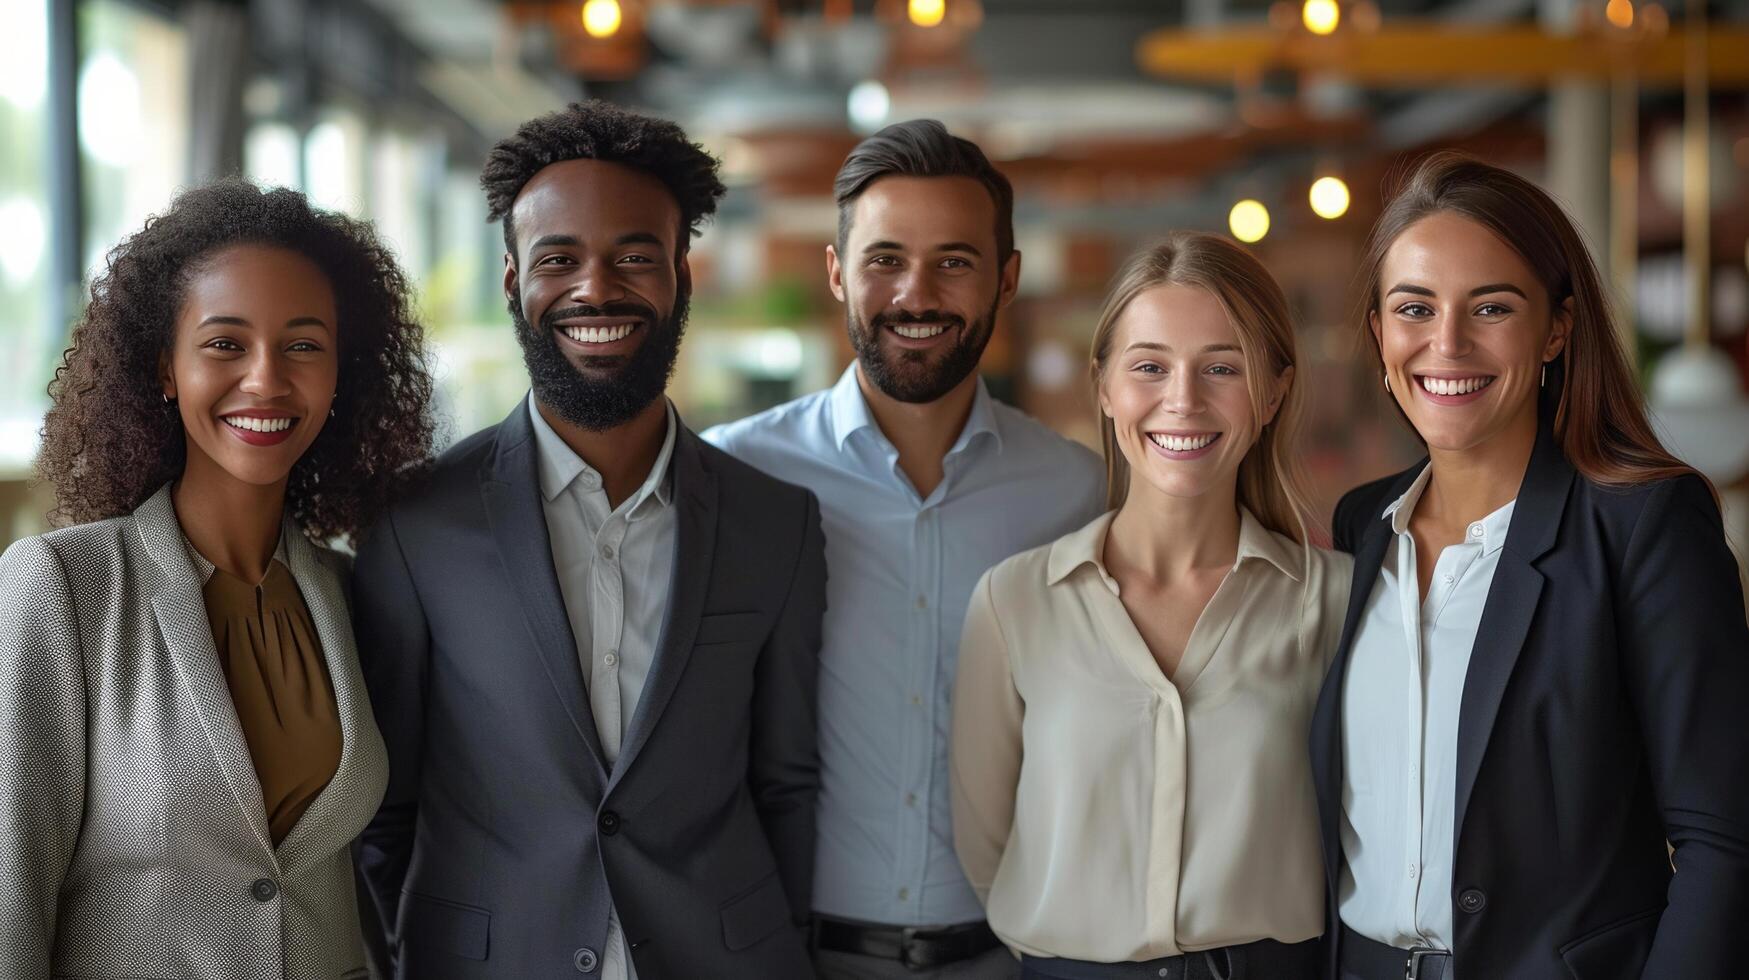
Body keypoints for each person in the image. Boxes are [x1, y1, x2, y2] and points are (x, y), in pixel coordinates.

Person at [351, 101, 826, 980]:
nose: (595, 289)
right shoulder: (415, 523)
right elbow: (385, 809)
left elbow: (785, 784)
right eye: (558, 259)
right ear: (511, 280)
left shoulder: (776, 522)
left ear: (682, 273)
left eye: (634, 256)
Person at [1312, 152, 1749, 980]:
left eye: (1491, 307)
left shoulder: (1641, 524)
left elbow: (1723, 839)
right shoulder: (1359, 528)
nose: (1446, 343)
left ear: (1555, 328)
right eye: (1414, 307)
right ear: (1377, 332)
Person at [0, 180, 435, 979]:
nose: (267, 379)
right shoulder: (64, 589)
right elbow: (7, 904)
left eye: (303, 345)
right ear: (165, 367)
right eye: (226, 343)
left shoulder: (350, 592)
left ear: (343, 373)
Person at [704, 119, 1104, 980]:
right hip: (792, 956)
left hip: (1018, 958)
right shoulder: (736, 474)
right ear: (837, 272)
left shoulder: (1078, 493)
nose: (915, 294)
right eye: (885, 259)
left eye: (953, 262)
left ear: (1006, 280)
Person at [950, 232, 1348, 980]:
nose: (1183, 400)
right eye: (1149, 366)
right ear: (1103, 386)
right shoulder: (1013, 603)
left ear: (1272, 393)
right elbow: (987, 847)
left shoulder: (1335, 602)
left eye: (1221, 367)